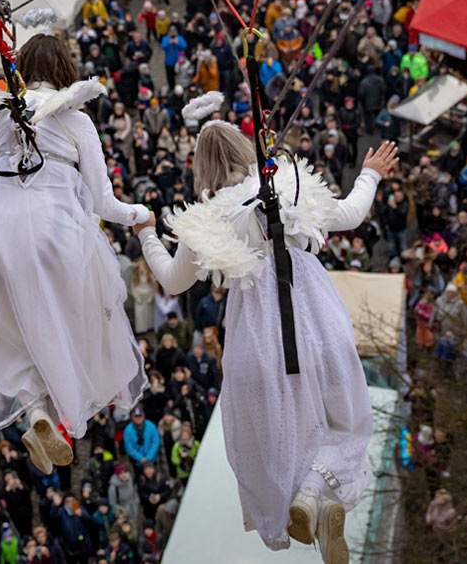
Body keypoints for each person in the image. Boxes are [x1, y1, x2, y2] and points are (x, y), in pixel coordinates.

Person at [136, 123, 398, 553]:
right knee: (346, 421)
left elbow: (172, 280)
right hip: (315, 323)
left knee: (279, 435)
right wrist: (369, 173)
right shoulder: (287, 183)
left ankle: (306, 501)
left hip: (255, 343)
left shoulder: (206, 217)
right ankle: (315, 491)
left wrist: (148, 231)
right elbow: (350, 214)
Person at [0, 35, 148, 474]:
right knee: (77, 321)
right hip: (55, 230)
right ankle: (58, 403)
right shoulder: (76, 121)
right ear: (65, 70)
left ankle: (35, 410)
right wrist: (144, 213)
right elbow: (104, 205)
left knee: (12, 331)